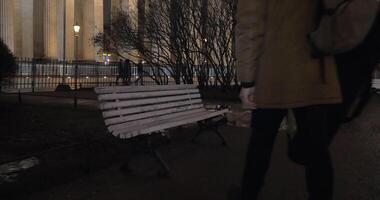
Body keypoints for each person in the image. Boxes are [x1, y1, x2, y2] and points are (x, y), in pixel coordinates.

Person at [235, 0, 342, 199]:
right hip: (314, 69)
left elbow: (250, 26)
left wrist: (247, 81)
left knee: (260, 145)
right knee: (318, 150)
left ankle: (248, 195)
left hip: (274, 72)